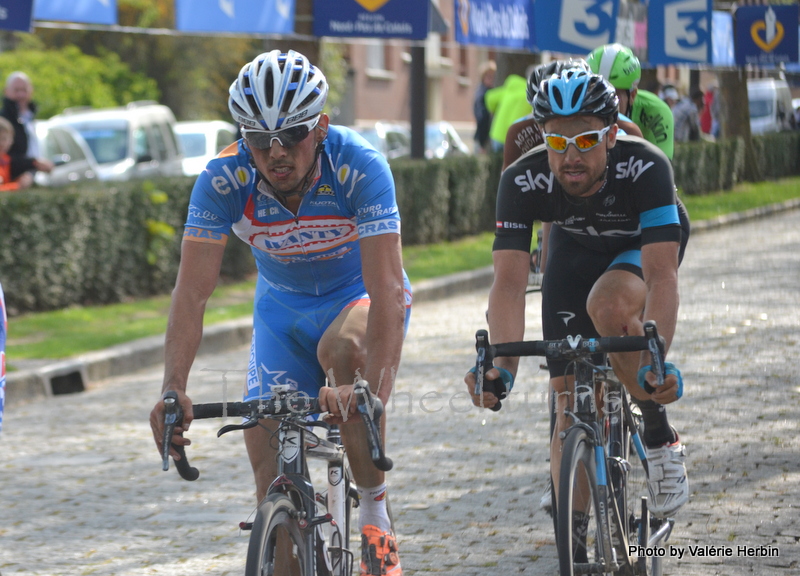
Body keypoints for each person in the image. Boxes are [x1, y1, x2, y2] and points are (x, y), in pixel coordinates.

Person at [148, 50, 409, 576]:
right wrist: (172, 386)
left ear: (321, 128)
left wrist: (373, 398)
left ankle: (376, 522)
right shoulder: (223, 179)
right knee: (268, 465)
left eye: (291, 135)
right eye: (258, 139)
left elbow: (386, 289)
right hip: (280, 315)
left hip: (355, 300)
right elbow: (192, 293)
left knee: (342, 352)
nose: (275, 152)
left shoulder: (359, 166)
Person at [465, 69, 690, 527]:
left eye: (586, 141)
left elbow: (662, 277)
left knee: (608, 308)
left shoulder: (645, 165)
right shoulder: (522, 178)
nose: (570, 156)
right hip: (577, 245)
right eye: (557, 142)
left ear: (610, 135)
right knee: (567, 397)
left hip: (639, 244)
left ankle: (657, 431)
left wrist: (657, 357)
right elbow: (508, 284)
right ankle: (576, 535)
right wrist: (500, 368)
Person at [587, 44, 675, 159]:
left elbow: (661, 168)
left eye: (613, 94)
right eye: (594, 93)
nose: (602, 102)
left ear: (632, 95)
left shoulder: (657, 111)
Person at [0, 72, 53, 180]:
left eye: (24, 90)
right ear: (6, 92)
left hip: (33, 179)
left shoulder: (31, 117)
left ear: (31, 91)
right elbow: (5, 156)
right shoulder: (3, 120)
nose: (21, 95)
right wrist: (33, 163)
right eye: (16, 90)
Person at [484, 70, 532, 152]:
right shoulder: (531, 96)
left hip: (497, 134)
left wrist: (493, 109)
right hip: (516, 136)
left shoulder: (509, 90)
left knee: (498, 162)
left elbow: (489, 97)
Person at [0, 117, 34, 191]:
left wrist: (23, 180)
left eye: (4, 139)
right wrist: (18, 186)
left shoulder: (7, 159)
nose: (2, 143)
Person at [473, 60, 496, 154]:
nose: (491, 79)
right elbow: (482, 118)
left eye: (493, 76)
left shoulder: (484, 91)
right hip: (483, 139)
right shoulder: (483, 94)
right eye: (489, 76)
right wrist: (482, 143)